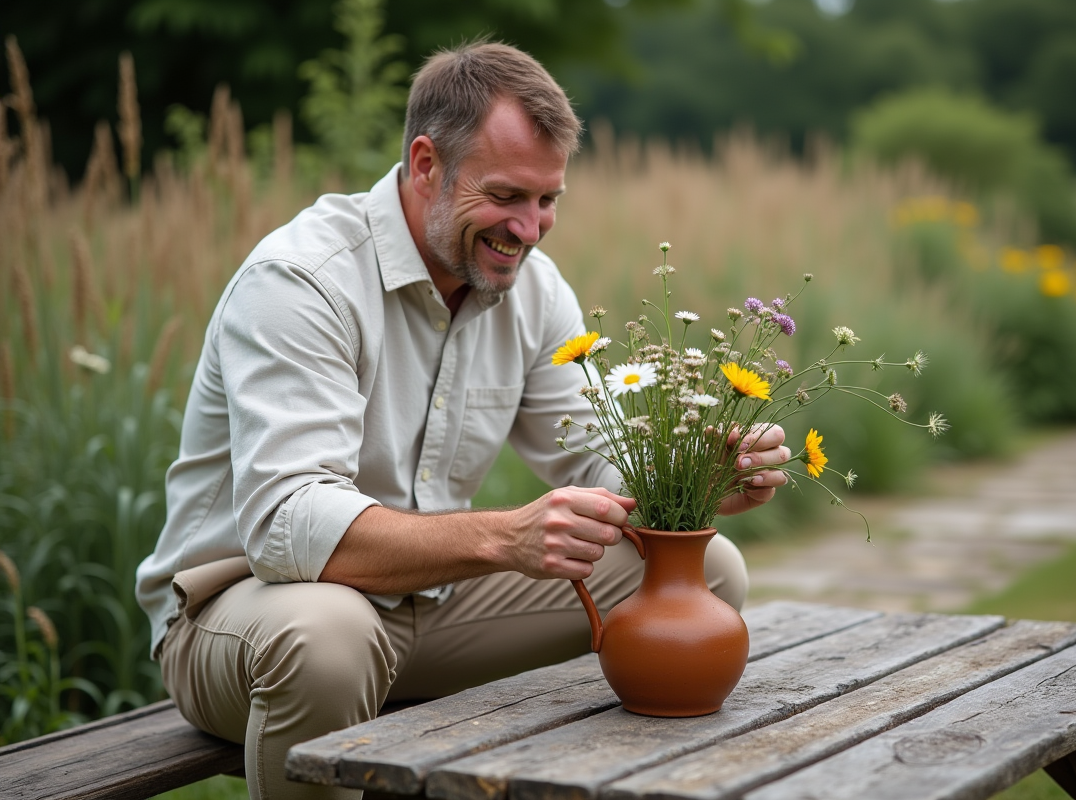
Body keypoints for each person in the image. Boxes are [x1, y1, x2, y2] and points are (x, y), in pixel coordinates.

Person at [135, 41, 790, 800]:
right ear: (424, 165)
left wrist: (701, 477)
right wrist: (503, 537)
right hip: (243, 621)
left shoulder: (536, 292)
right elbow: (289, 525)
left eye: (549, 200)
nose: (532, 227)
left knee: (704, 573)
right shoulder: (302, 281)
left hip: (431, 612)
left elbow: (595, 461)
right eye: (508, 195)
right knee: (328, 637)